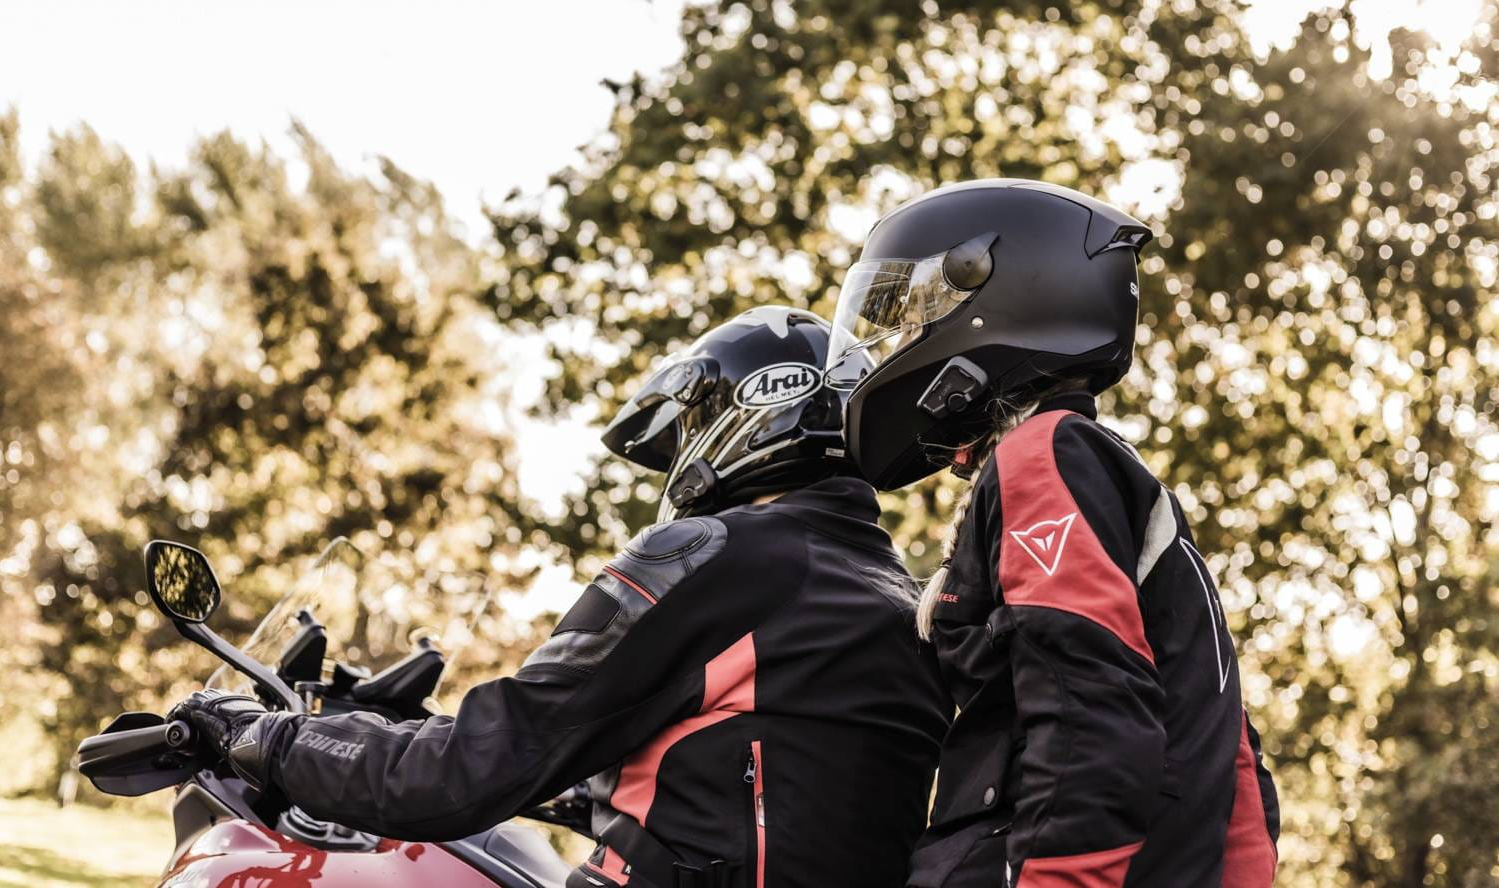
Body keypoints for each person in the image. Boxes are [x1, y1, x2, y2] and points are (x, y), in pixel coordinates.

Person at [170, 305, 952, 888]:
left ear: (742, 416)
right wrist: (573, 789)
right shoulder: (895, 596)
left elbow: (465, 773)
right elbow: (771, 783)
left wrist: (265, 738)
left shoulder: (714, 555)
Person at [821, 180, 1279, 888]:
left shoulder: (1044, 455)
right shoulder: (1095, 466)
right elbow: (1230, 754)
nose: (896, 341)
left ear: (988, 293)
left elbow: (1092, 713)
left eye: (913, 312)